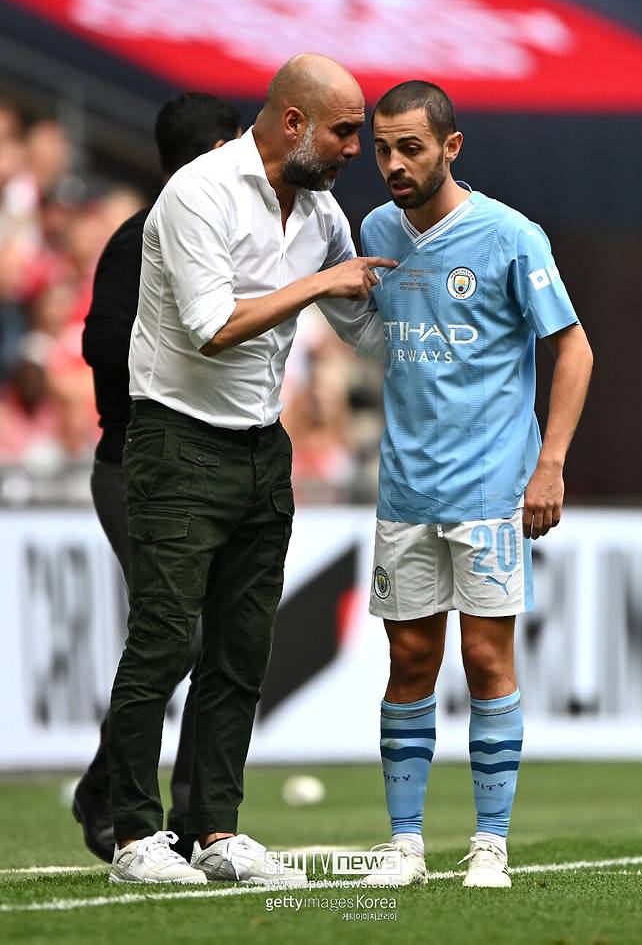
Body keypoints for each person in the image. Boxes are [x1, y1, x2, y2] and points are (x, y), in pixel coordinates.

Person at [105, 53, 396, 886]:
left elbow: (361, 326)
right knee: (163, 644)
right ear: (293, 122)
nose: (355, 150)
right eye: (345, 132)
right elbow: (211, 328)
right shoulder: (198, 192)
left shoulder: (320, 210)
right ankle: (134, 837)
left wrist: (436, 326)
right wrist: (321, 282)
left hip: (263, 448)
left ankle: (216, 833)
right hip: (178, 440)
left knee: (240, 652)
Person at [359, 81, 593, 888]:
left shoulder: (510, 235)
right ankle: (405, 846)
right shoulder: (376, 230)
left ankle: (490, 844)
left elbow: (574, 348)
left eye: (411, 147)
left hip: (492, 488)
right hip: (405, 488)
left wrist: (549, 462)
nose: (394, 163)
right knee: (408, 659)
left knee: (487, 657)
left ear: (451, 147)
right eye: (382, 149)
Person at [76, 93, 242, 864]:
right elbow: (101, 341)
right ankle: (108, 796)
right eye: (237, 146)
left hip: (208, 467)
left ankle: (195, 820)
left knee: (216, 641)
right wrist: (187, 351)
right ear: (216, 152)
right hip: (136, 467)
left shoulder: (222, 236)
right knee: (178, 637)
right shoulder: (142, 235)